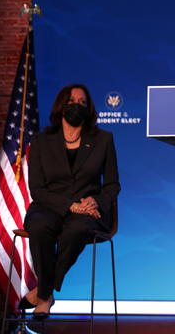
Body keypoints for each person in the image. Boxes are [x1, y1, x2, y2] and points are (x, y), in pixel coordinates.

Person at [20, 83, 121, 320]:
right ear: (61, 106)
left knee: (76, 228)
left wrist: (97, 203)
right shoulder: (41, 140)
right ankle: (46, 294)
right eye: (72, 101)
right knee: (39, 226)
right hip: (50, 206)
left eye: (83, 102)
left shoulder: (103, 139)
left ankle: (42, 293)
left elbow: (112, 184)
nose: (78, 105)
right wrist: (71, 206)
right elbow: (37, 189)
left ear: (89, 108)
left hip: (88, 211)